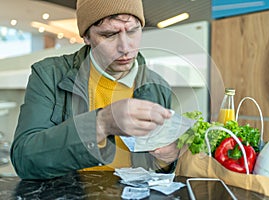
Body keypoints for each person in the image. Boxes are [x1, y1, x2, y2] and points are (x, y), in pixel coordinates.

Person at [10, 0, 180, 179]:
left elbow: (155, 173)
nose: (125, 48)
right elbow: (24, 160)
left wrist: (166, 160)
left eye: (132, 31)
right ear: (86, 37)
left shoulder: (157, 86)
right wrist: (101, 123)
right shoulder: (49, 75)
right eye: (109, 35)